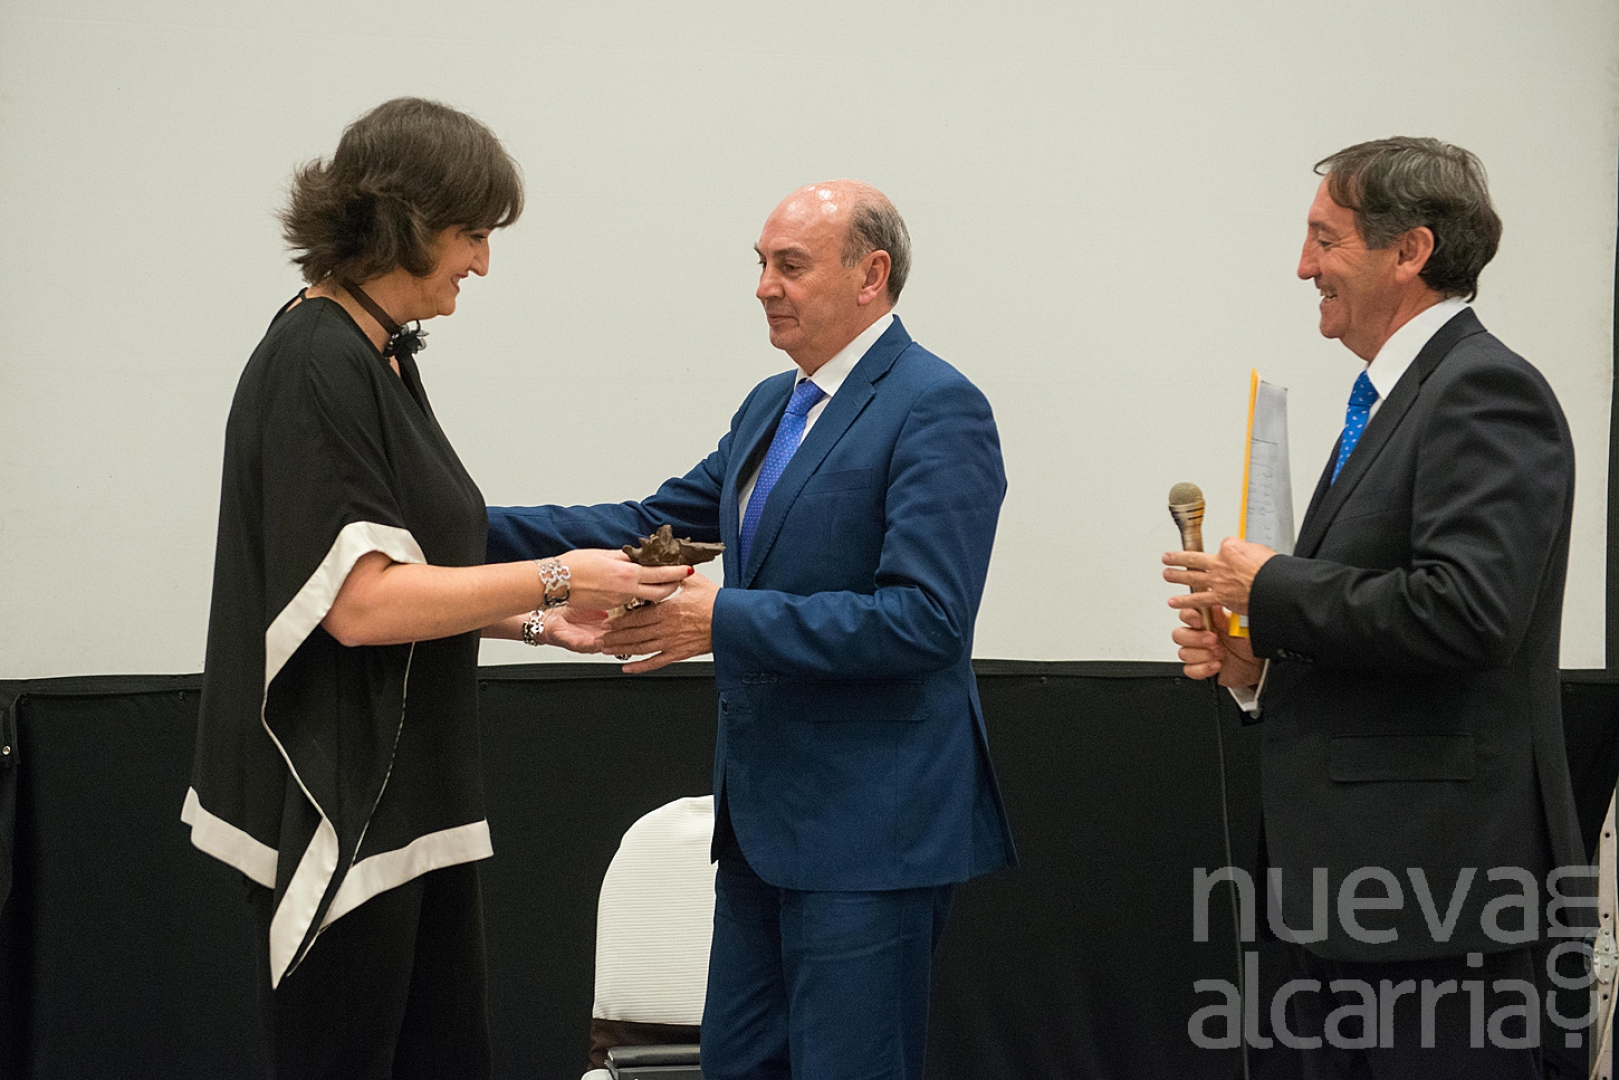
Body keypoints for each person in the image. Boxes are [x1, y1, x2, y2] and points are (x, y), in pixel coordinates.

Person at [181, 97, 688, 1078]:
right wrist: (561, 575)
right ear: (406, 221)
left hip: (407, 797)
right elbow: (358, 607)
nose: (482, 264)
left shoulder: (372, 352)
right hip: (352, 800)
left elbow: (394, 571)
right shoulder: (318, 360)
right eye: (473, 235)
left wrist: (541, 622)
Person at [487, 180, 1015, 1080]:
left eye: (790, 265)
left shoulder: (937, 404)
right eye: (762, 264)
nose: (764, 286)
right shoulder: (773, 404)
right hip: (763, 829)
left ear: (870, 275)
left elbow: (925, 621)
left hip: (871, 834)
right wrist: (449, 525)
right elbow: (646, 523)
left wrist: (720, 616)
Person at [1164, 138, 1594, 1077]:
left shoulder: (1481, 388)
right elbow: (1389, 630)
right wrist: (1258, 666)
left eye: (1325, 239)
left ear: (1410, 251)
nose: (1302, 266)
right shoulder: (1395, 397)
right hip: (1359, 902)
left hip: (1439, 902)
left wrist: (1270, 589)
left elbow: (1468, 611)